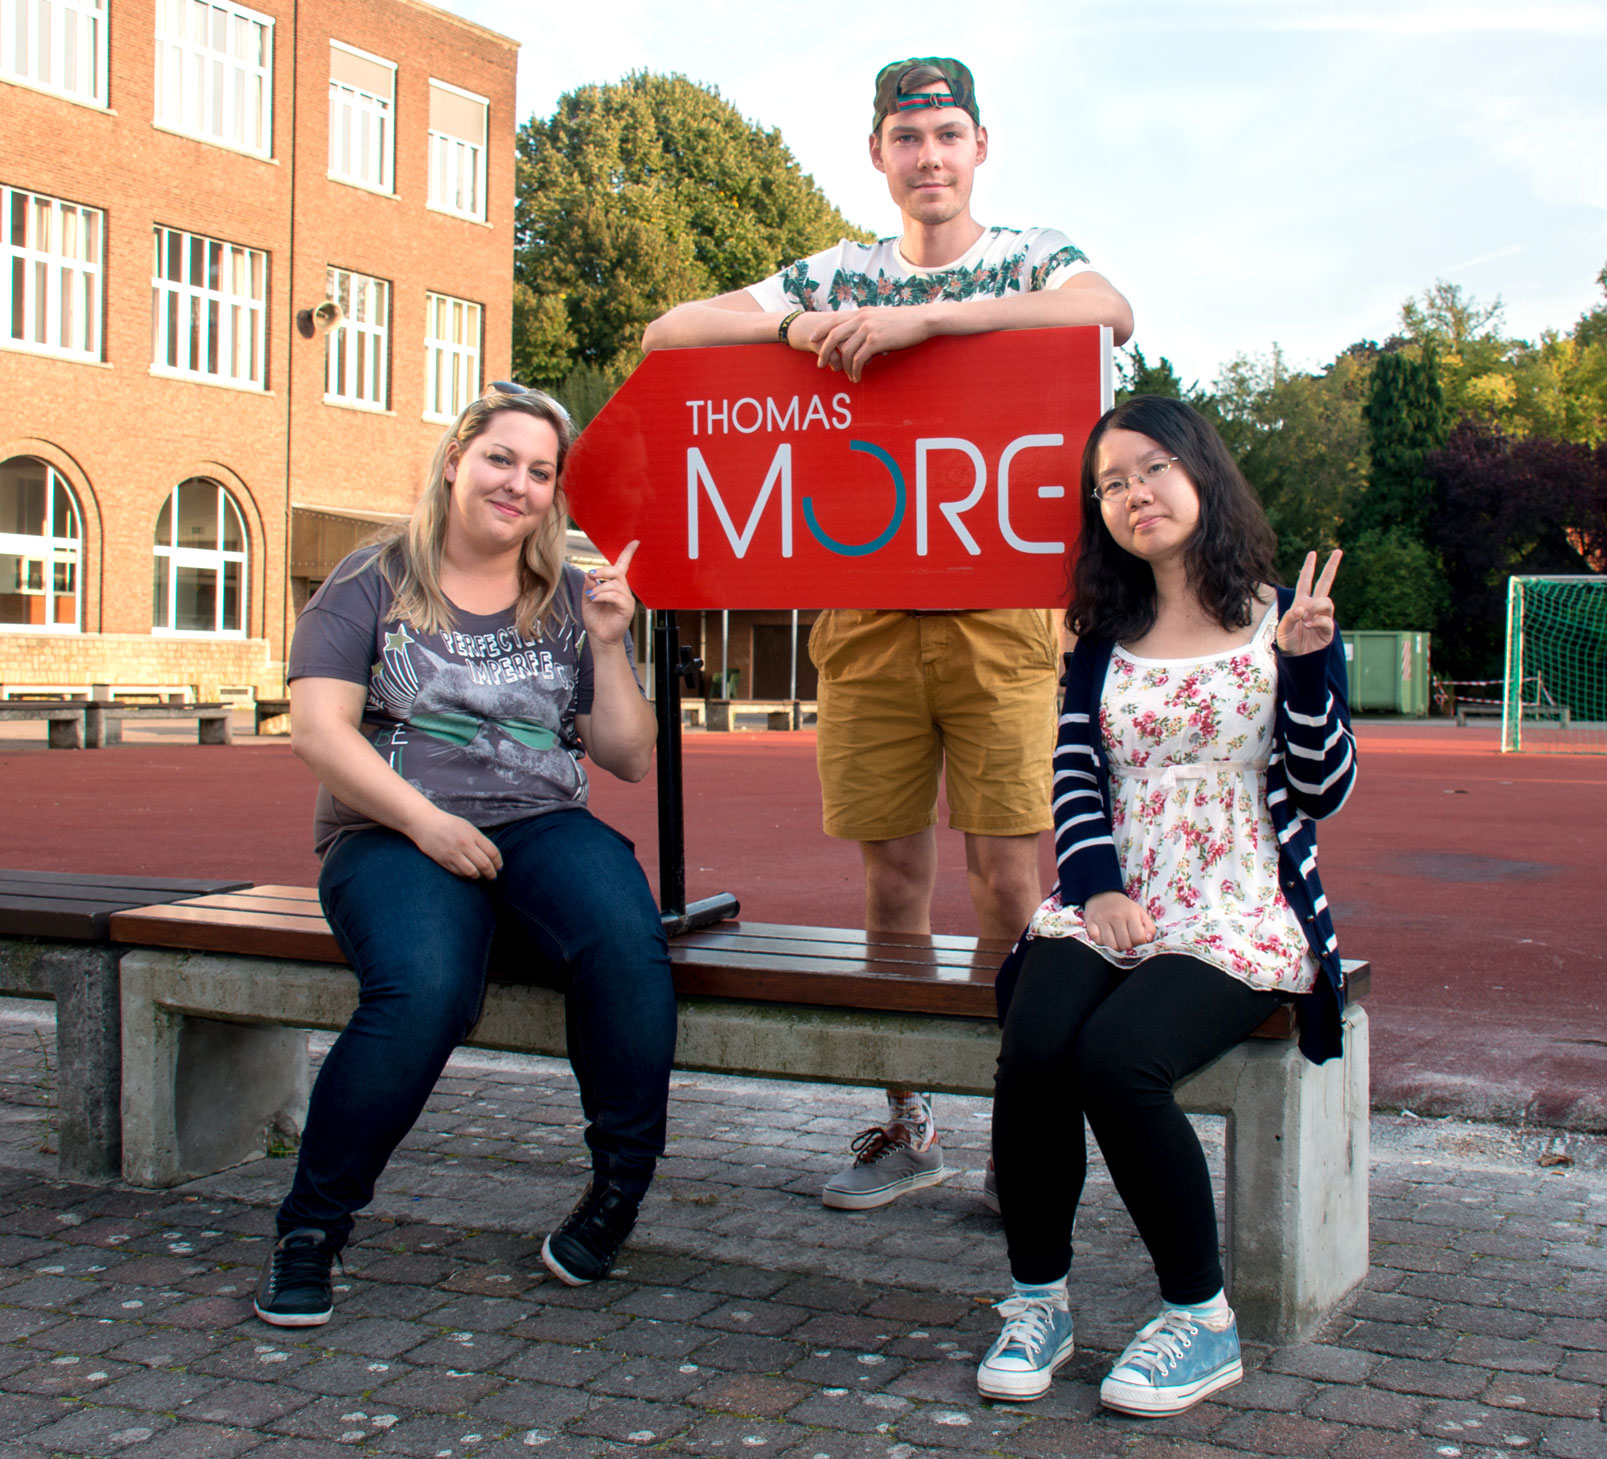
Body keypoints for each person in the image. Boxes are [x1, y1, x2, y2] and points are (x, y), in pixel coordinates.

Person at [643, 57, 1133, 1211]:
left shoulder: (1025, 254)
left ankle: (1025, 1122)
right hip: (864, 617)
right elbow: (673, 332)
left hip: (1005, 613)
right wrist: (814, 323)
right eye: (906, 137)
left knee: (1014, 881)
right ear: (878, 153)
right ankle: (909, 1120)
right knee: (889, 878)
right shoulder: (837, 270)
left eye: (946, 134)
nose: (927, 156)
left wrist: (927, 326)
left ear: (978, 146)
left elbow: (1105, 312)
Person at [253, 384, 675, 1328]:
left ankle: (616, 1195)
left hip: (540, 822)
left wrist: (609, 648)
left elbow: (628, 758)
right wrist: (425, 823)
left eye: (539, 470)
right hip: (393, 828)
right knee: (428, 984)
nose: (516, 483)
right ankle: (311, 1227)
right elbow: (320, 733)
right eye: (499, 459)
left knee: (623, 934)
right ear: (454, 460)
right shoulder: (369, 580)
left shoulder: (572, 594)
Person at [976, 395, 1356, 1414]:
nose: (1131, 493)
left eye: (1149, 468)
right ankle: (1036, 1297)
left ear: (1199, 473)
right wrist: (1094, 886)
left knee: (1117, 1058)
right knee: (1037, 1036)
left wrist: (1311, 667)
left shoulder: (1285, 618)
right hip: (1114, 894)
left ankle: (1199, 1317)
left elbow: (1321, 790)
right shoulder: (1101, 634)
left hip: (1235, 903)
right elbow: (1073, 772)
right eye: (1108, 482)